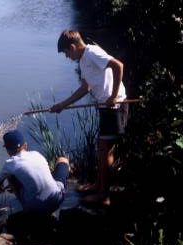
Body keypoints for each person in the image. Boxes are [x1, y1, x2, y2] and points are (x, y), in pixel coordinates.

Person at [50, 30, 128, 206]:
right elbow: (86, 88)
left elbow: (118, 66)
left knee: (106, 150)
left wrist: (114, 95)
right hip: (105, 106)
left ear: (72, 47)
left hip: (114, 106)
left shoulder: (92, 53)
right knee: (102, 148)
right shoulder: (84, 60)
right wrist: (63, 105)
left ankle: (104, 195)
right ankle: (98, 185)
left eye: (66, 53)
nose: (67, 57)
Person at [0, 130, 69, 216]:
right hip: (57, 199)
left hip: (34, 209)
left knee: (10, 176)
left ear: (8, 150)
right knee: (62, 160)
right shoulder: (36, 154)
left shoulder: (9, 163)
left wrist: (0, 188)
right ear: (25, 145)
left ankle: (26, 209)